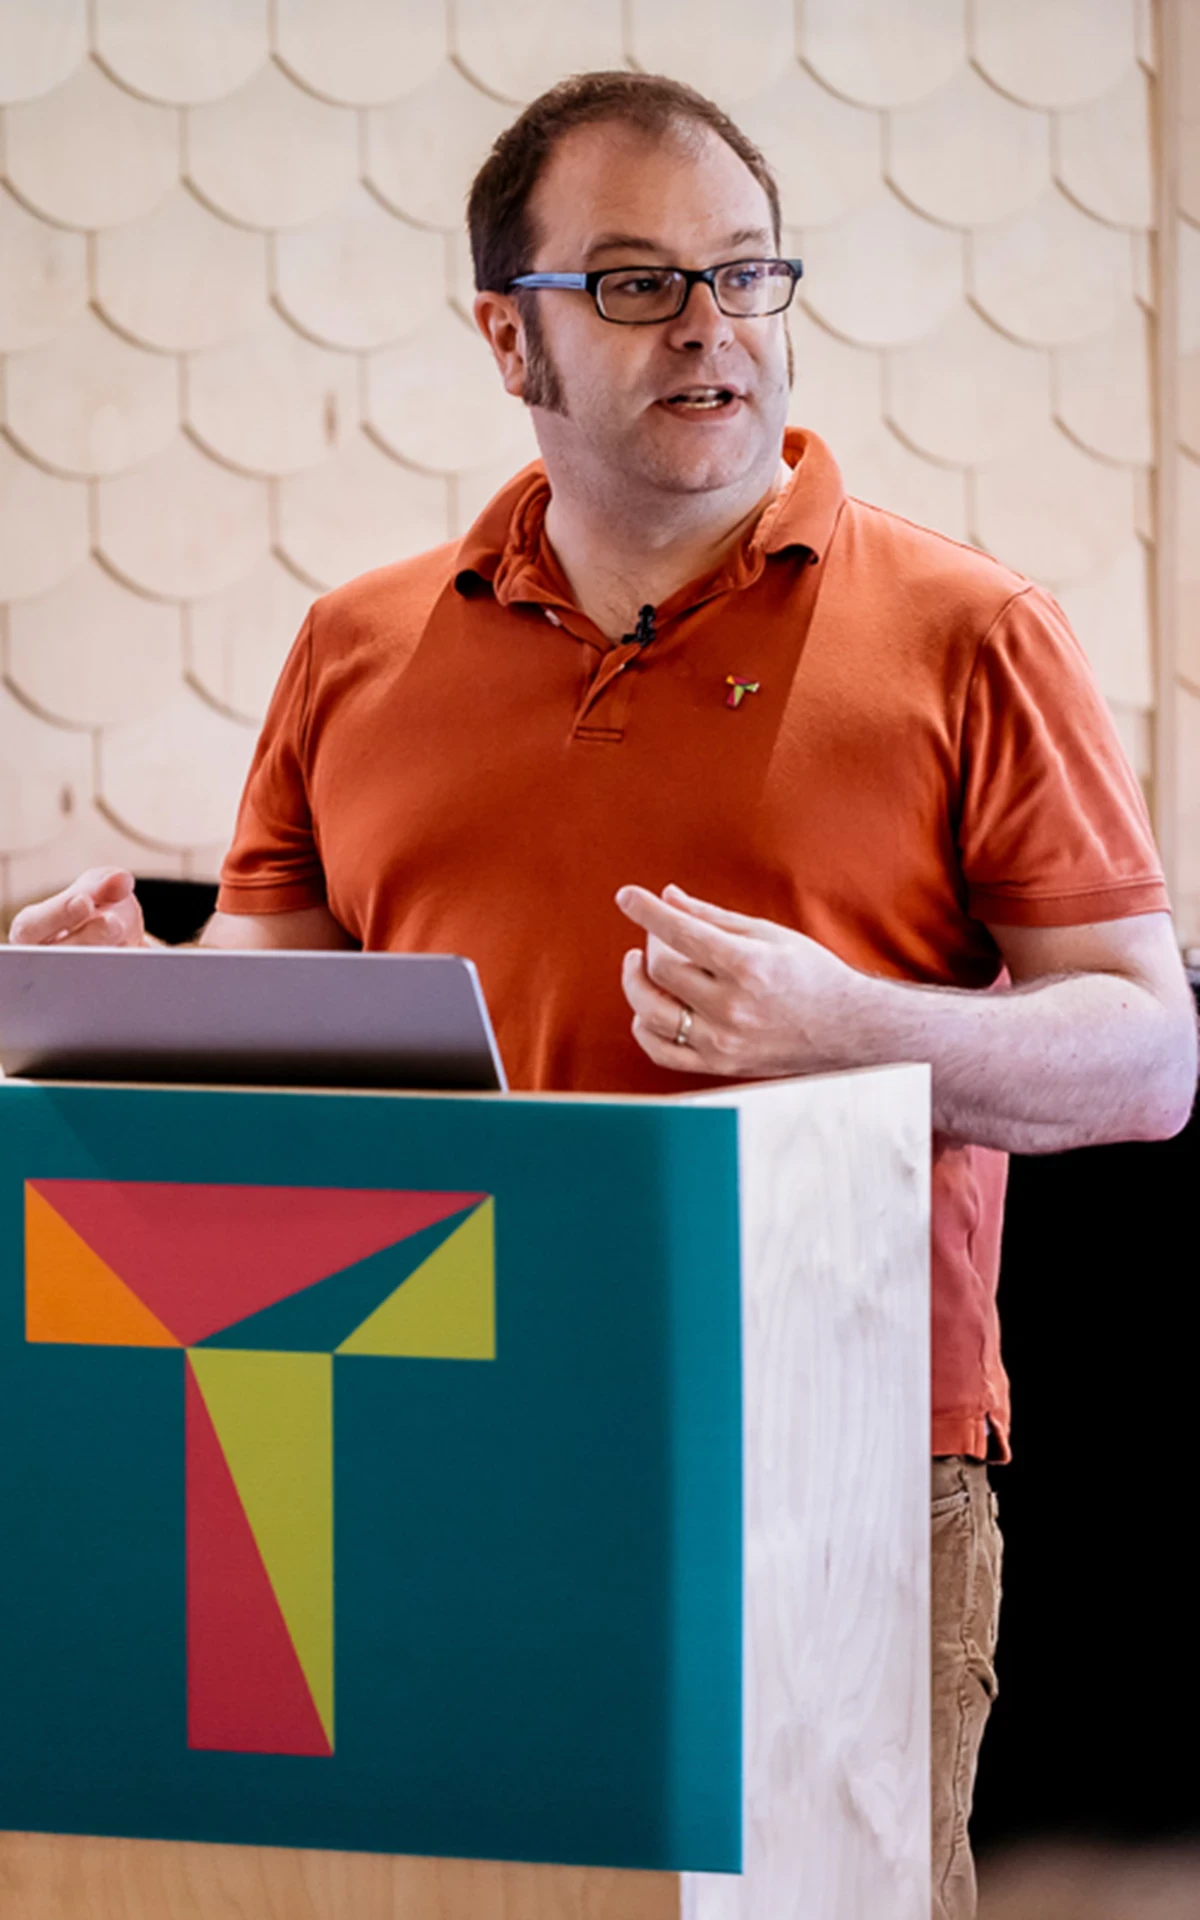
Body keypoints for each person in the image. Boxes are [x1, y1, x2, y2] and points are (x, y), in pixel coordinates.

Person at [9, 71, 1196, 1920]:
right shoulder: (357, 647)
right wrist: (129, 1006)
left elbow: (1147, 1053)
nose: (711, 325)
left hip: (835, 1462)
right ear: (511, 335)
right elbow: (282, 1028)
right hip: (405, 1436)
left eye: (745, 275)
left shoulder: (973, 632)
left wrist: (863, 1027)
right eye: (637, 285)